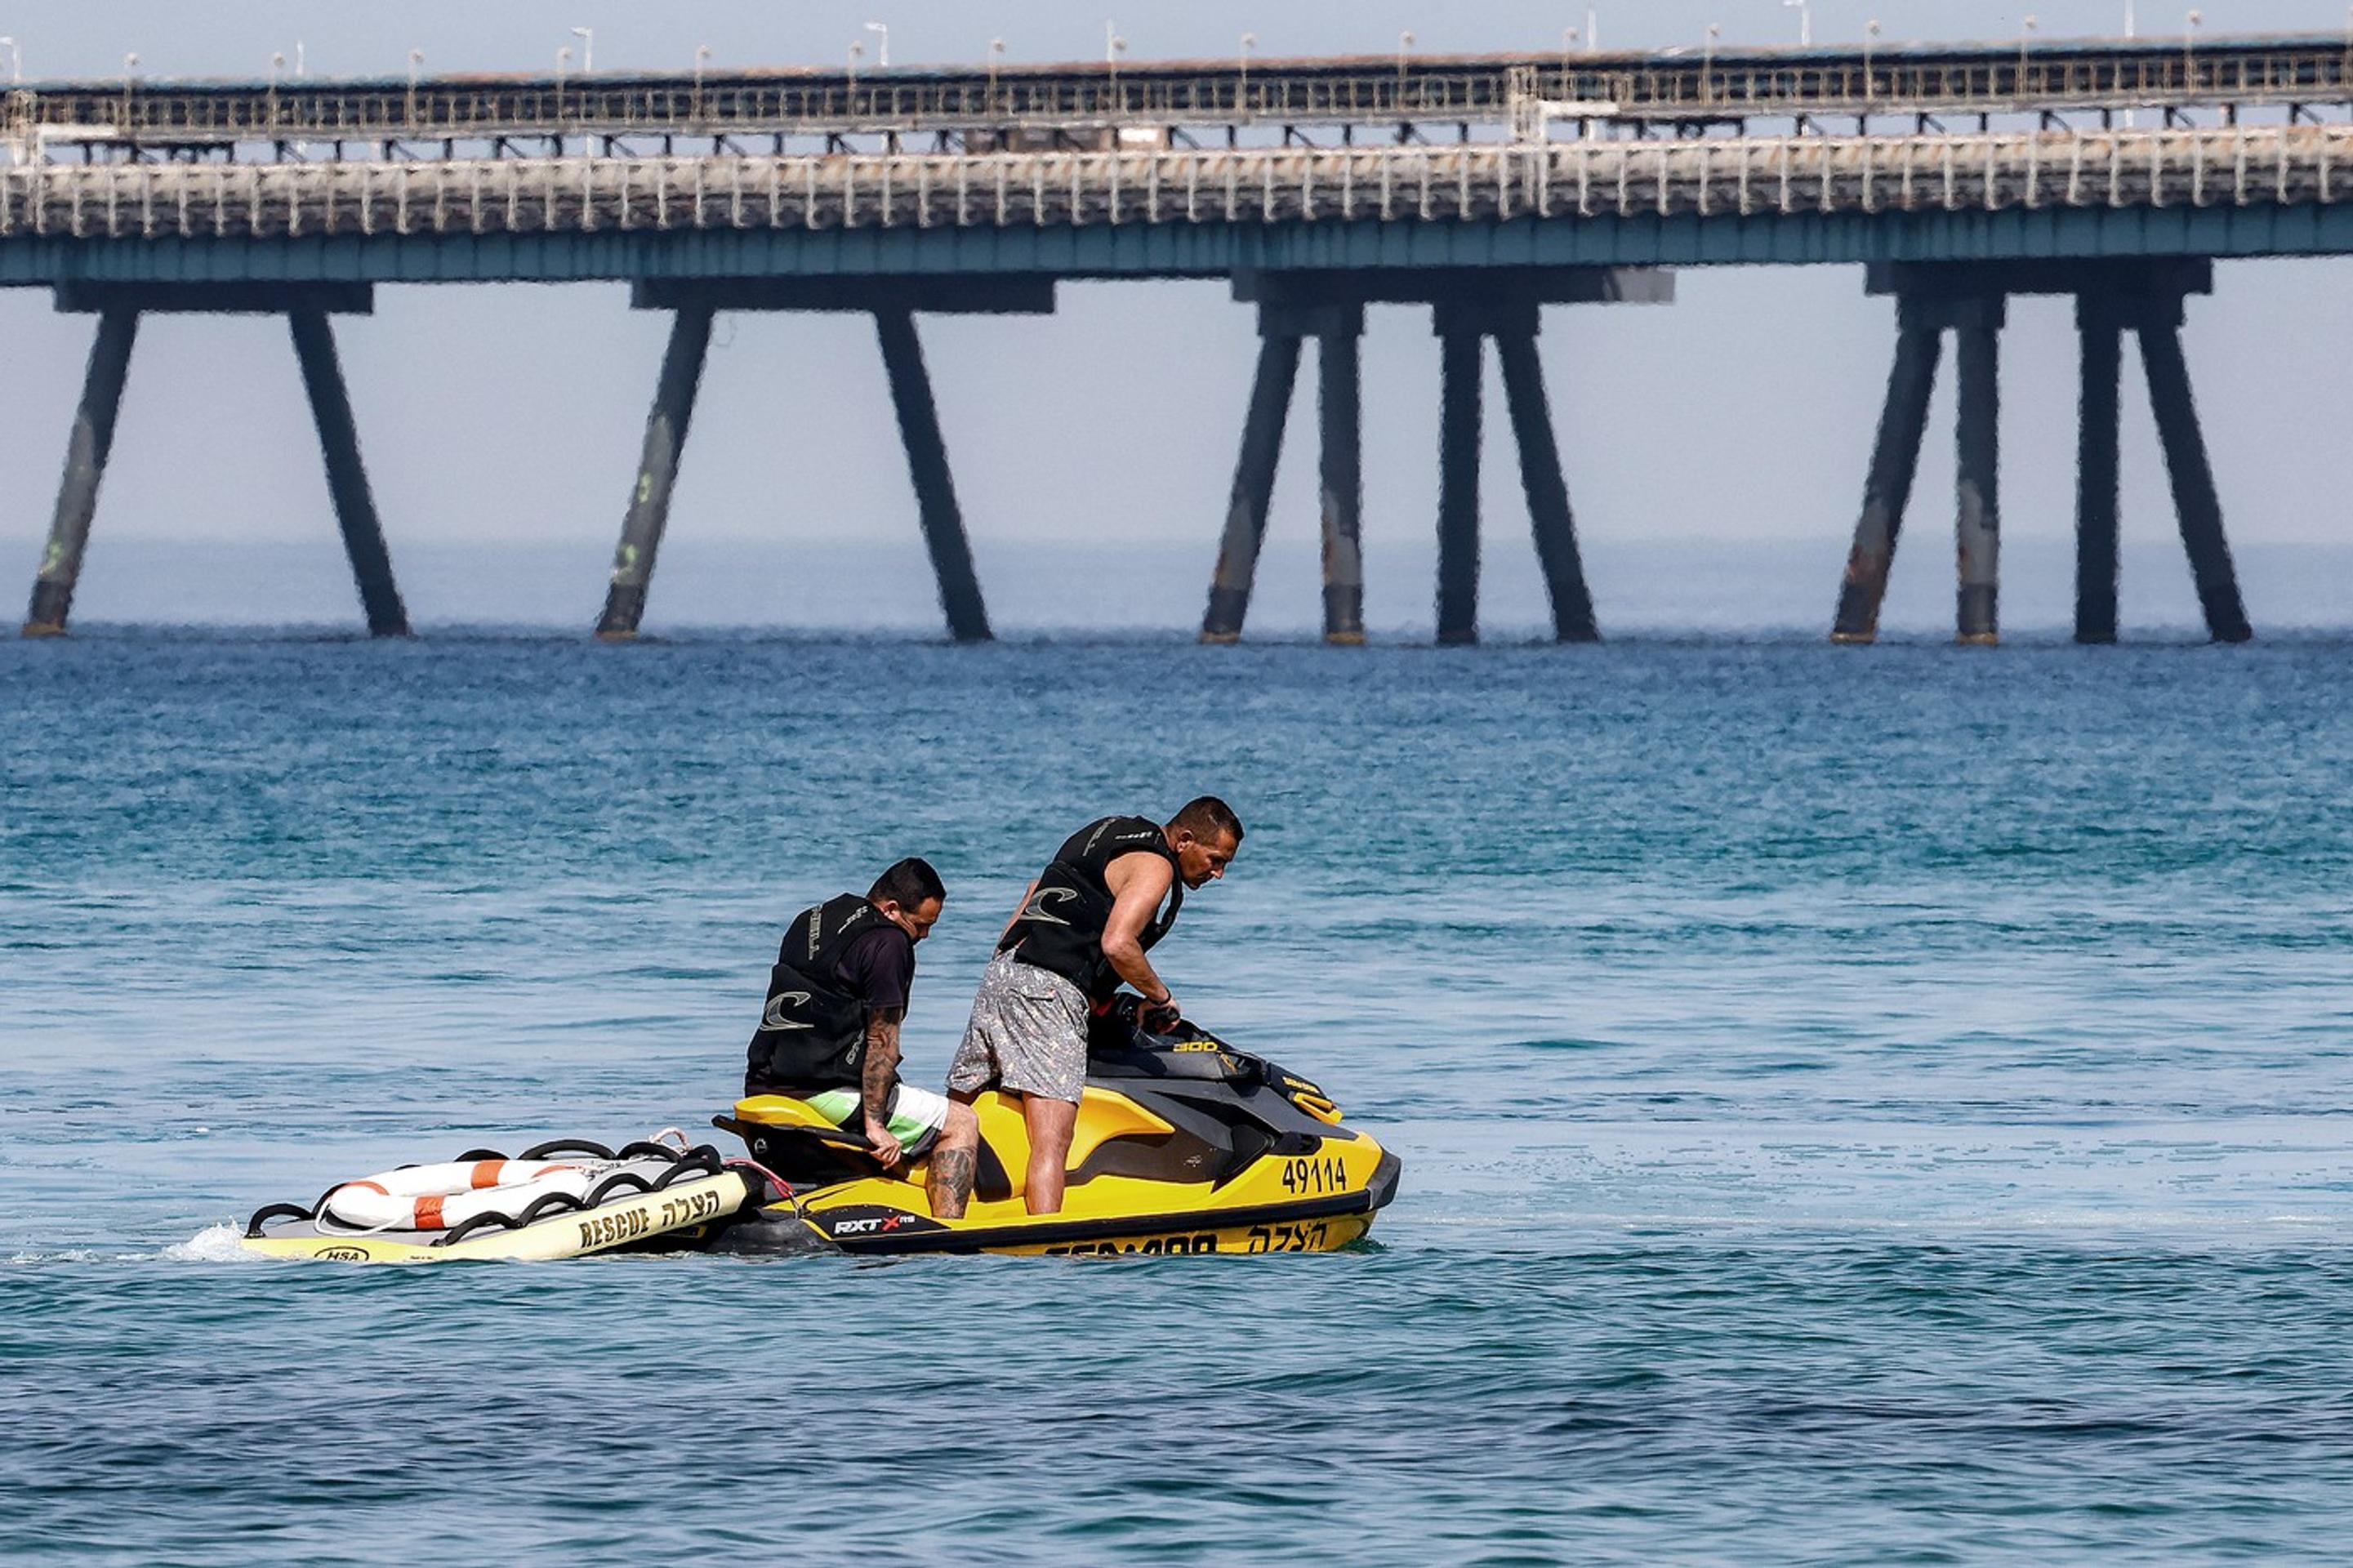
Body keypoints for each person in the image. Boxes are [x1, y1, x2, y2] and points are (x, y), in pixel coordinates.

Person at [929, 798, 1244, 1218]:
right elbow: (1118, 943)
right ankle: (1046, 1252)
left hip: (1004, 972)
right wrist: (1161, 997)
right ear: (1184, 840)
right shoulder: (1157, 865)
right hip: (1049, 991)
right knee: (1052, 1141)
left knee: (956, 1114)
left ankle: (934, 1216)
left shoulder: (1108, 830)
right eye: (1216, 859)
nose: (1218, 873)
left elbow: (1034, 892)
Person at [744, 857, 948, 1171]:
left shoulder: (811, 919)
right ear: (891, 909)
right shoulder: (889, 941)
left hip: (762, 1083)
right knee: (960, 1124)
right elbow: (882, 1040)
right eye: (921, 925)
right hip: (821, 1093)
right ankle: (951, 1221)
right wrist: (875, 1126)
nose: (923, 937)